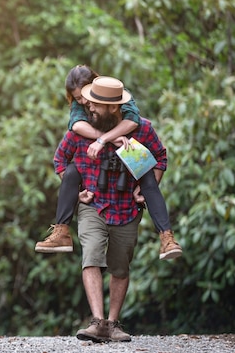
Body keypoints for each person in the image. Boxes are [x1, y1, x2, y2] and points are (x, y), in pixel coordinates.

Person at [53, 76, 168, 342]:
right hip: (93, 205)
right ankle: (97, 321)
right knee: (91, 255)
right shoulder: (81, 128)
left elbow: (161, 156)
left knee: (120, 266)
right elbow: (60, 159)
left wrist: (147, 186)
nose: (88, 107)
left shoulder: (141, 128)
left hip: (126, 206)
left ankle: (113, 323)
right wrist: (75, 190)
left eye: (95, 104)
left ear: (113, 107)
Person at [35, 65, 182, 260]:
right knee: (71, 171)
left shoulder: (120, 98)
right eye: (80, 99)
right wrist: (107, 138)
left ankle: (166, 237)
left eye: (89, 98)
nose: (86, 103)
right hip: (94, 187)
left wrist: (107, 140)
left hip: (129, 166)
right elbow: (75, 128)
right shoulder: (82, 109)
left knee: (148, 174)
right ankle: (61, 231)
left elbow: (134, 123)